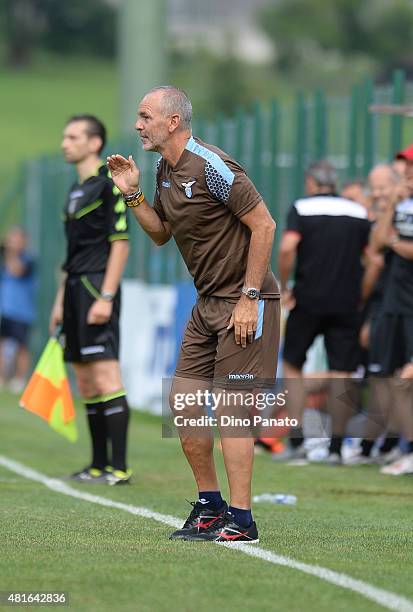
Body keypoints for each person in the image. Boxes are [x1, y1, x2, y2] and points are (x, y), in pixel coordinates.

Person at [107, 86, 280, 543]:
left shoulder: (212, 166)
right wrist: (134, 195)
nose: (137, 125)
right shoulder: (164, 169)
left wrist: (249, 297)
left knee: (232, 414)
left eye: (145, 116)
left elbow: (264, 224)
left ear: (173, 122)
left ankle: (242, 521)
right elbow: (162, 234)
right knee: (183, 405)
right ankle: (210, 506)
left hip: (245, 303)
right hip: (206, 305)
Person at [49, 115, 131, 485]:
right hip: (75, 290)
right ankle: (98, 465)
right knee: (85, 380)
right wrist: (59, 300)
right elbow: (70, 256)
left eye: (73, 137)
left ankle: (119, 468)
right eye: (64, 136)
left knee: (106, 374)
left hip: (99, 287)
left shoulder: (106, 185)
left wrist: (107, 297)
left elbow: (120, 243)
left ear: (94, 143)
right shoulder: (73, 190)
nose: (65, 143)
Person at [277, 161, 371, 463]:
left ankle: (297, 441)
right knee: (342, 374)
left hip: (308, 299)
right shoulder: (358, 212)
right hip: (347, 303)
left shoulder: (302, 208)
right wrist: (362, 296)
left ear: (310, 182)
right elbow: (372, 260)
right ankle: (336, 449)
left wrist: (285, 285)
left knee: (293, 365)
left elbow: (288, 246)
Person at [0, 226, 36, 392]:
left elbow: (17, 270)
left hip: (22, 312)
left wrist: (11, 252)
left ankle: (19, 380)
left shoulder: (29, 261)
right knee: (2, 343)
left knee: (22, 347)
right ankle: (1, 377)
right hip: (5, 310)